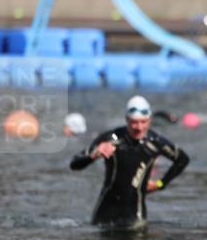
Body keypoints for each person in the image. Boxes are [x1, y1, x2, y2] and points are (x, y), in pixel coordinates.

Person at [70, 96, 189, 228]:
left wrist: (161, 184)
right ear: (127, 120)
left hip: (135, 212)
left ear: (149, 121)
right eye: (134, 122)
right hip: (106, 210)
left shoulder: (155, 142)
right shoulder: (111, 138)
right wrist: (94, 154)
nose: (139, 127)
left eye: (143, 122)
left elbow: (182, 159)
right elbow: (74, 164)